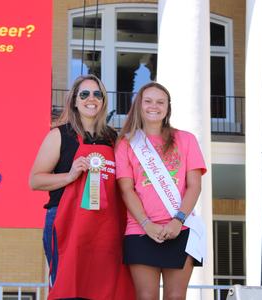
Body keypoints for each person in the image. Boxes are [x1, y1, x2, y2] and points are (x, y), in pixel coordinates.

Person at [29, 74, 135, 300]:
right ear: (75, 101)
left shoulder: (112, 138)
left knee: (103, 289)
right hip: (65, 221)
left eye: (97, 94)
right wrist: (70, 176)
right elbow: (35, 180)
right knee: (67, 288)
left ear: (103, 101)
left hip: (105, 227)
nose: (91, 99)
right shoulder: (59, 135)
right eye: (84, 94)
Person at [115, 82, 207, 300]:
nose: (153, 106)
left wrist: (178, 220)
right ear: (139, 105)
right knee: (146, 296)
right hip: (140, 229)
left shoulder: (186, 139)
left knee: (176, 297)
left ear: (168, 107)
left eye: (160, 102)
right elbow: (127, 190)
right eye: (148, 101)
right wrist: (146, 224)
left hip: (181, 229)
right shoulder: (126, 143)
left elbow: (195, 185)